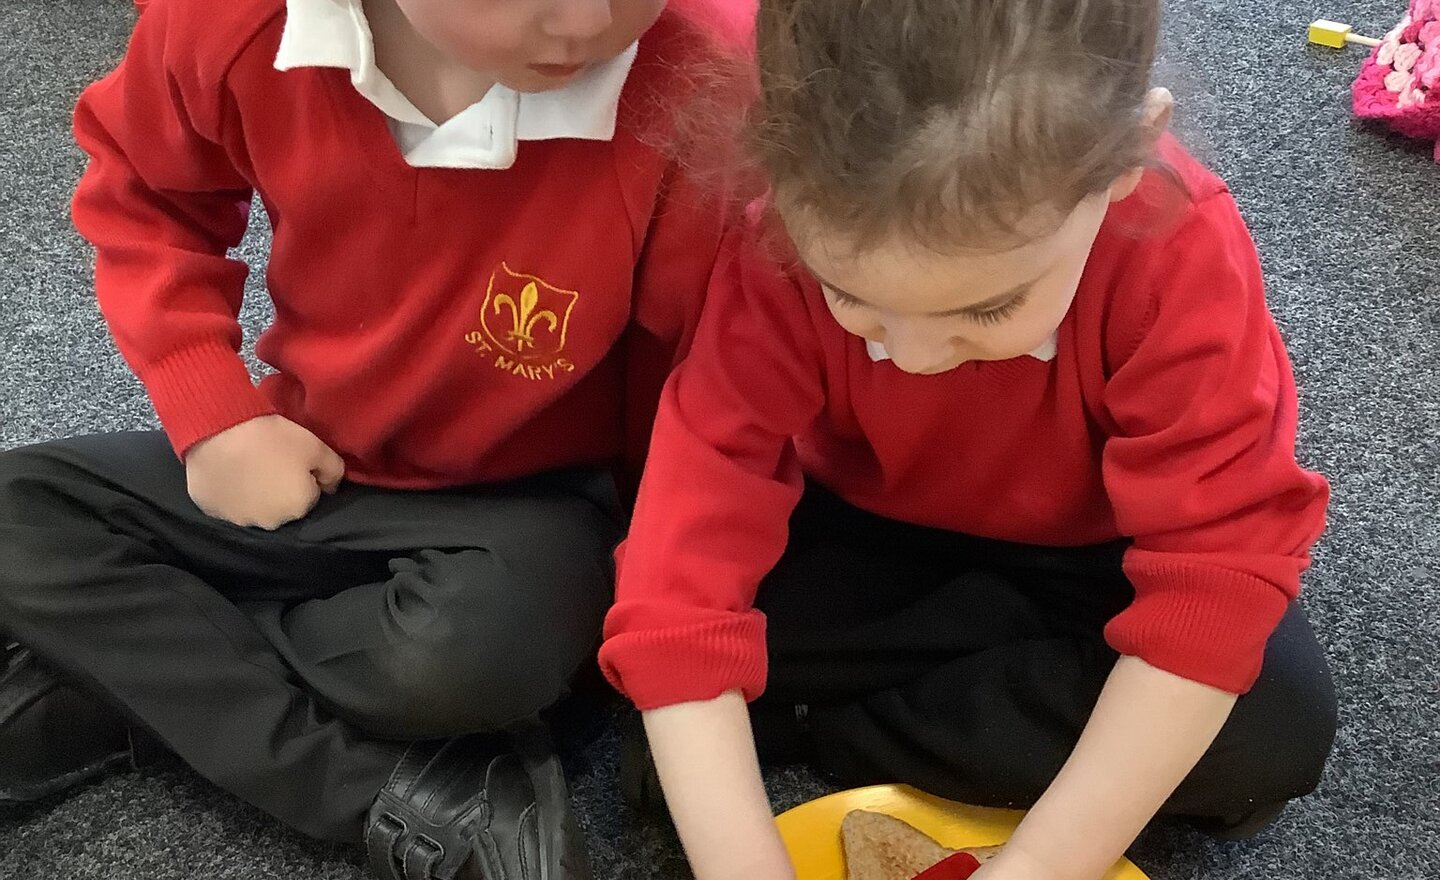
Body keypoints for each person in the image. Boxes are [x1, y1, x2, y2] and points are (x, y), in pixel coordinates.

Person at [0, 0, 749, 877]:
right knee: (18, 516)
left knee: (475, 653)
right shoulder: (229, 21)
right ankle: (357, 770)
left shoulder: (702, 88)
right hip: (305, 464)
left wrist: (642, 580)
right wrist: (212, 413)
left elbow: (695, 384)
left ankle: (136, 672)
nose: (584, 21)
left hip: (520, 515)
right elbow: (145, 191)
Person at [599, 2, 1338, 879]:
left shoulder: (1179, 252)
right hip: (859, 531)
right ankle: (879, 709)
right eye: (851, 296)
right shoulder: (772, 243)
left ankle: (810, 722)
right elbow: (688, 557)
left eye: (987, 309)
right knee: (624, 616)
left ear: (1125, 163)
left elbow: (1218, 568)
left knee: (1274, 730)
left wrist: (1041, 864)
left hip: (1090, 554)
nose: (912, 359)